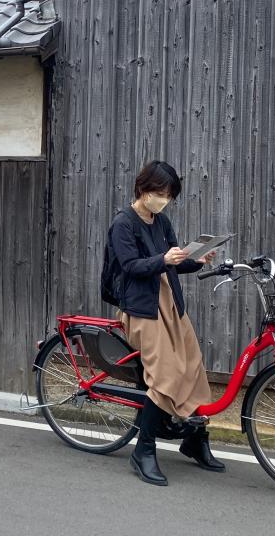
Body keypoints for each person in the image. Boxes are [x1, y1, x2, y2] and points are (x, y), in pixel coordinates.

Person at [109, 160, 223, 486]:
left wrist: (194, 260)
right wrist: (164, 259)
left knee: (193, 366)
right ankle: (143, 450)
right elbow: (130, 265)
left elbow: (172, 265)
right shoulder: (123, 223)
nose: (163, 199)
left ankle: (194, 439)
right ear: (143, 188)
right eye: (160, 192)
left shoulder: (161, 221)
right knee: (166, 374)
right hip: (141, 308)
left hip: (169, 302)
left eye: (169, 195)